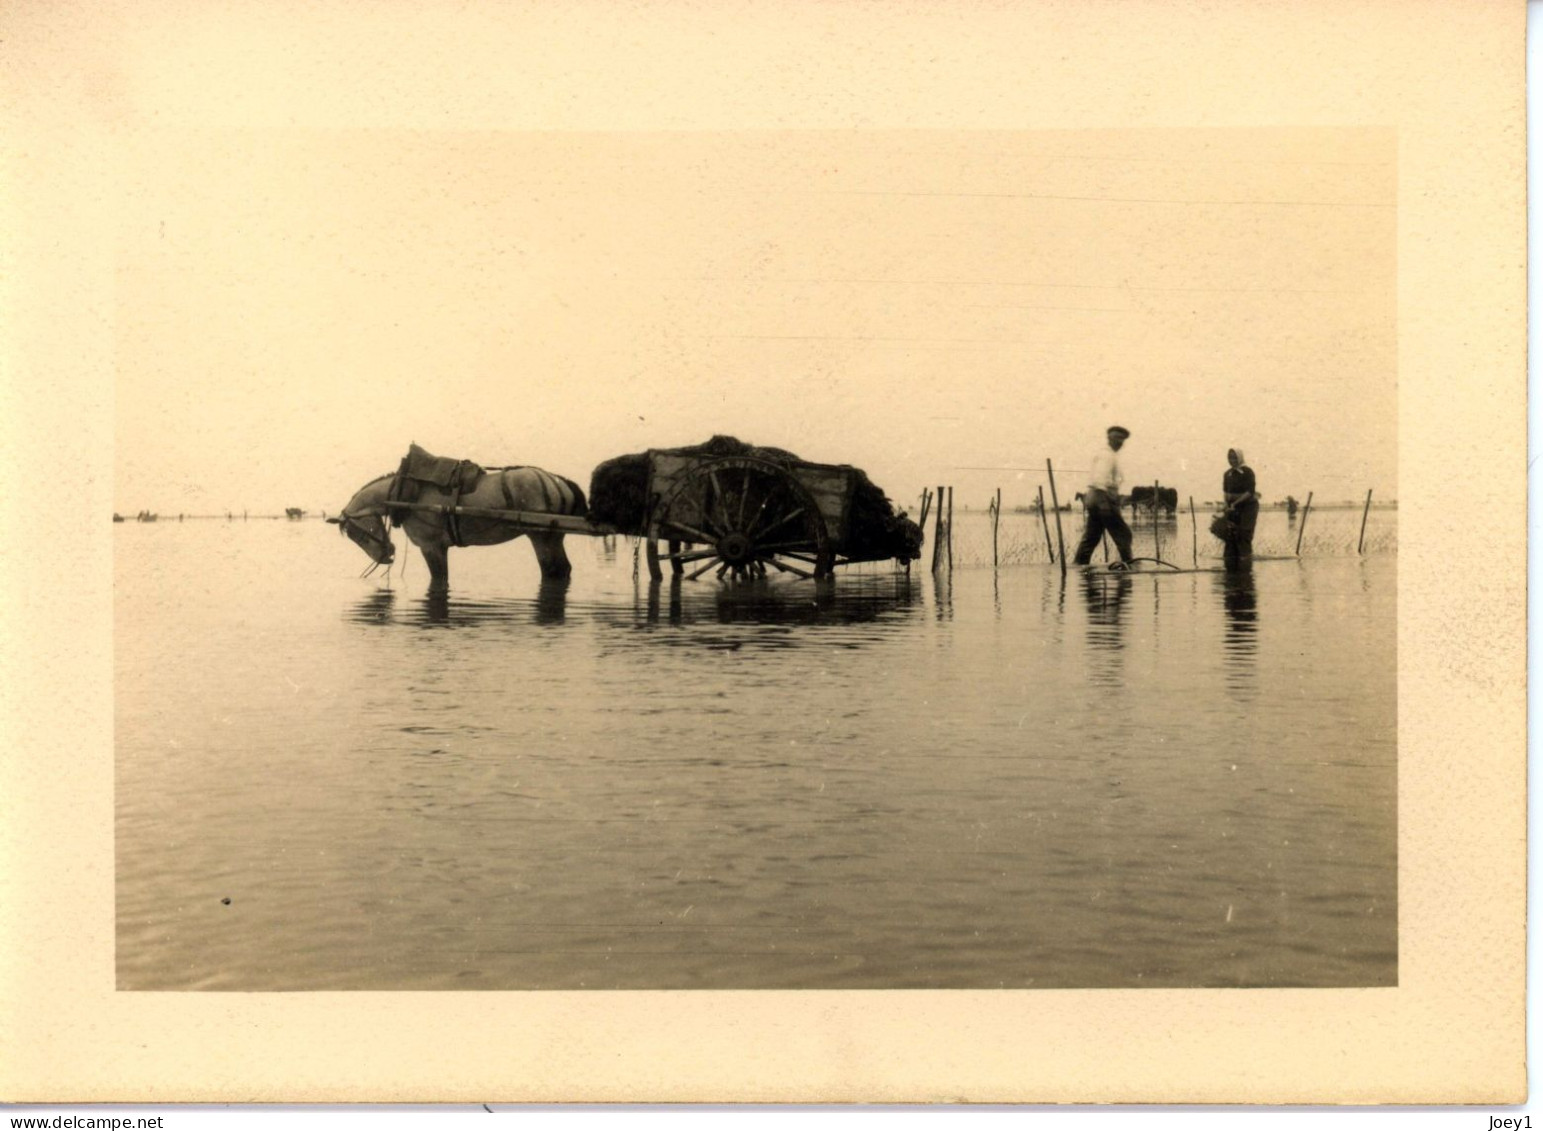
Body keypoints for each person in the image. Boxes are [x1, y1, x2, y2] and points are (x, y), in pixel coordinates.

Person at [1072, 426, 1134, 567]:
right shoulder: (1107, 455)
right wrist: (1104, 503)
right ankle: (1129, 565)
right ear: (1110, 439)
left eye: (1122, 440)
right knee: (1124, 534)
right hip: (1102, 497)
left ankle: (1079, 565)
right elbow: (1100, 478)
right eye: (1117, 439)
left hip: (1094, 497)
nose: (1120, 443)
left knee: (1091, 536)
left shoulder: (1105, 454)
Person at [1221, 448, 1258, 572]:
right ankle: (1230, 564)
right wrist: (1226, 504)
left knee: (1244, 533)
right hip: (1232, 508)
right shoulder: (1227, 474)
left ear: (1240, 458)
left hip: (1248, 506)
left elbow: (1250, 492)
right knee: (1230, 534)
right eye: (1230, 458)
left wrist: (1235, 503)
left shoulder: (1247, 472)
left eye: (1235, 458)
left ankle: (1246, 565)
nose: (1232, 461)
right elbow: (1226, 492)